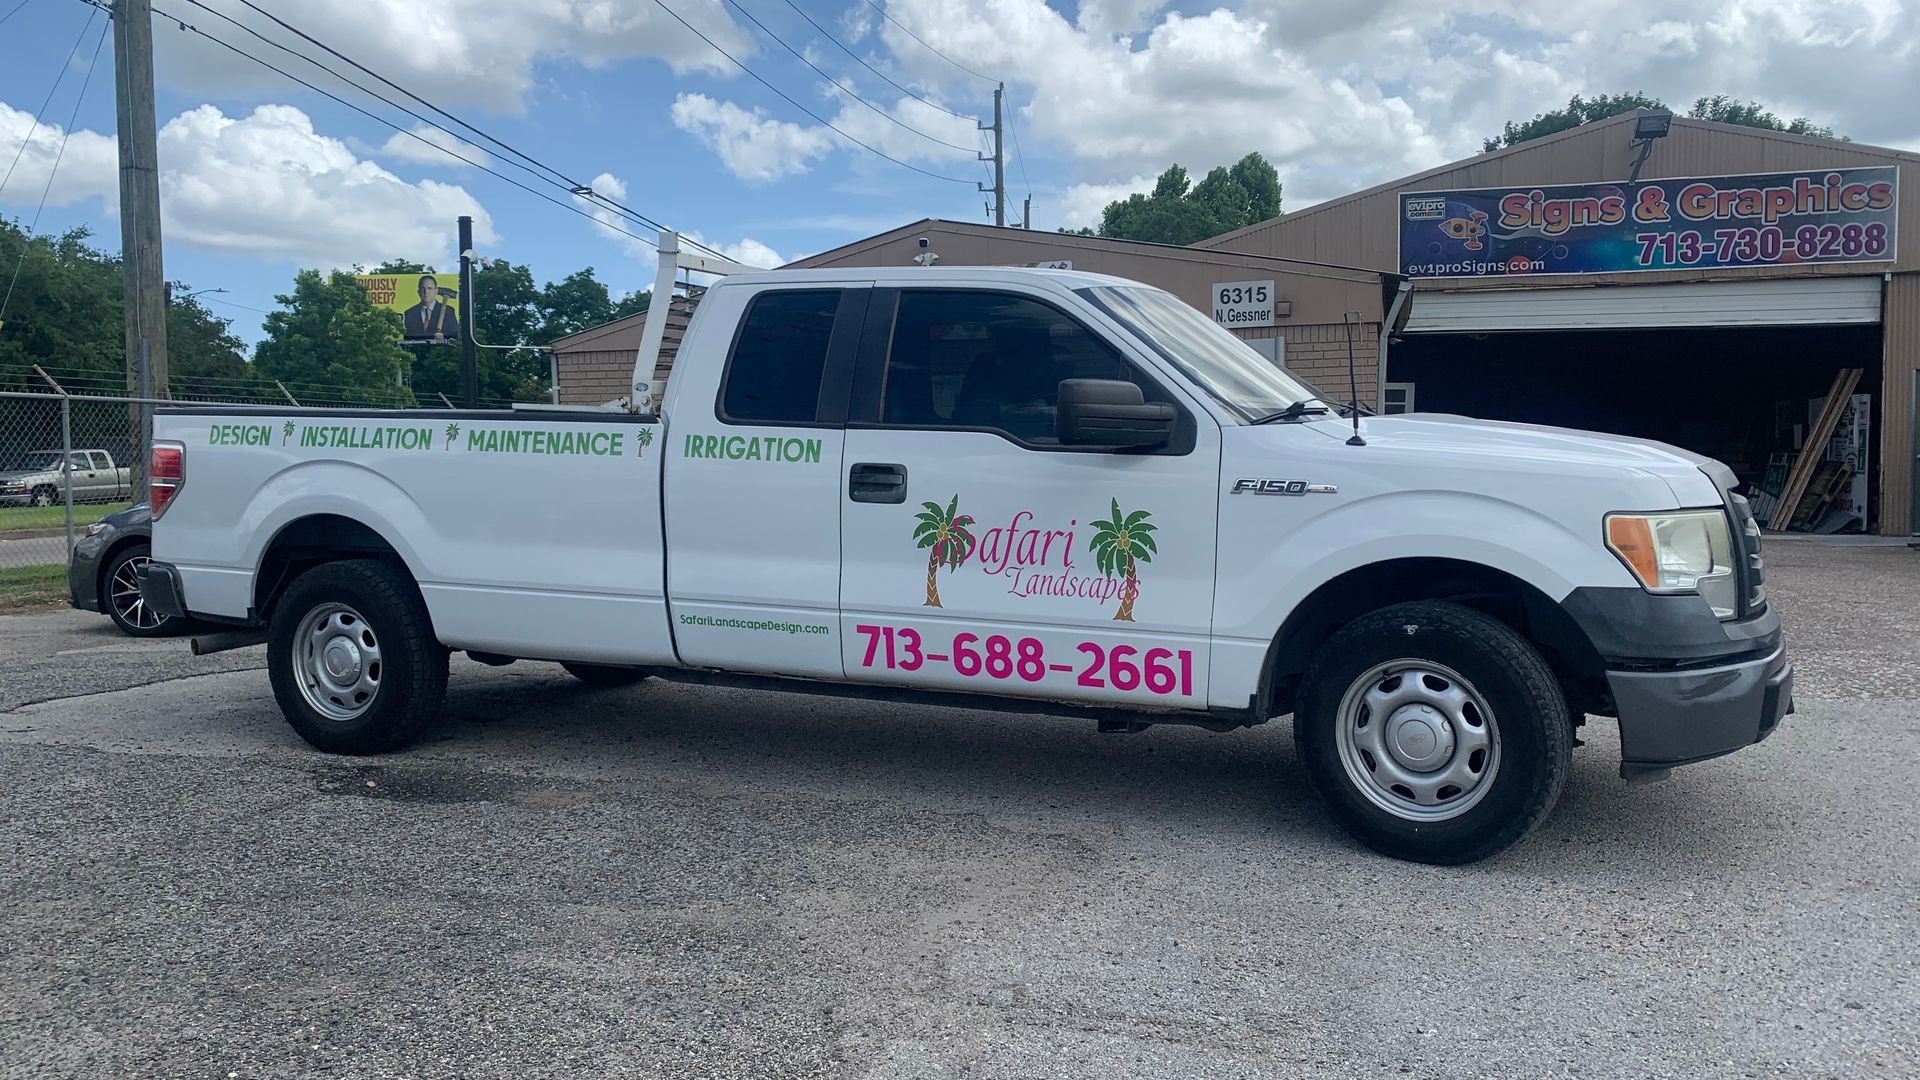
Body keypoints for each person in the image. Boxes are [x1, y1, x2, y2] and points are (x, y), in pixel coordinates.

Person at [402, 275, 456, 340]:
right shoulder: (409, 313)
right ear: (418, 292)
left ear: (436, 291)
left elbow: (455, 335)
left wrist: (444, 336)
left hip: (440, 349)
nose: (426, 292)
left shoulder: (449, 311)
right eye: (423, 288)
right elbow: (407, 337)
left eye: (429, 288)